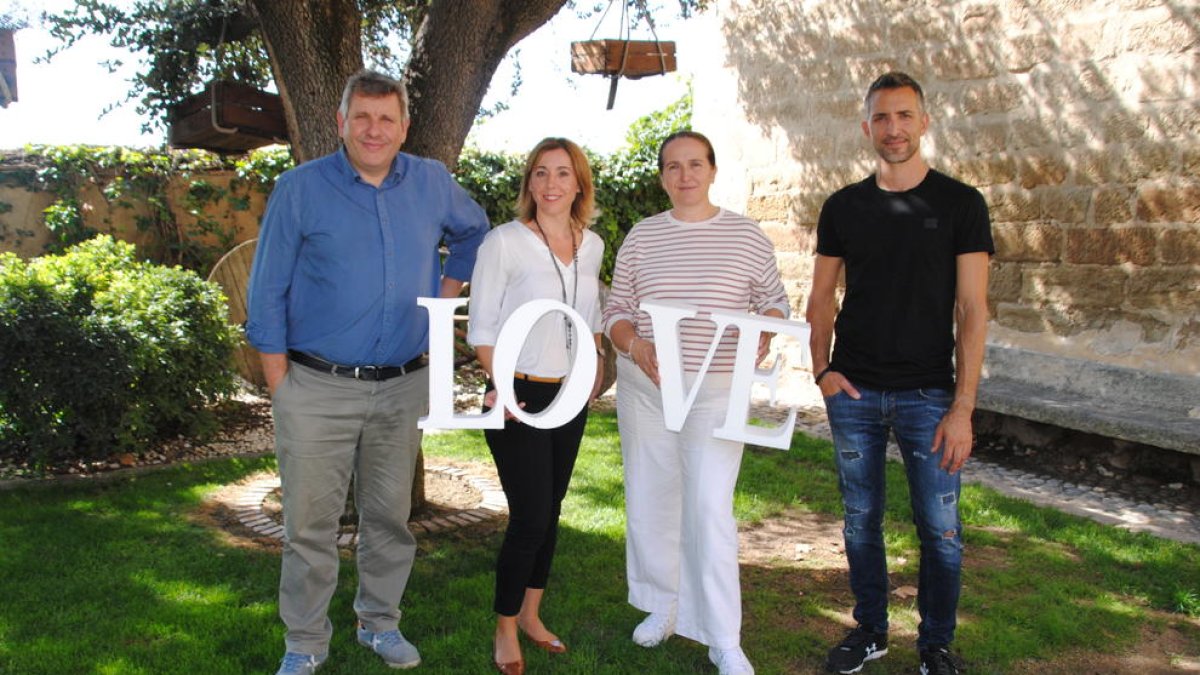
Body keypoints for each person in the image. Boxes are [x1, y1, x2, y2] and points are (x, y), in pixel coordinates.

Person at [246, 69, 489, 675]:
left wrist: (445, 292)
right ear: (341, 123)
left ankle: (379, 624)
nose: (374, 129)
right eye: (363, 117)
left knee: (388, 517)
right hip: (315, 386)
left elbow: (475, 232)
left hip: (402, 386)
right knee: (309, 526)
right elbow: (267, 288)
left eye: (386, 118)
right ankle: (304, 641)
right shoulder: (300, 189)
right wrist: (282, 384)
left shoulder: (432, 183)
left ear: (404, 125)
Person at [806, 71, 993, 675]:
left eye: (904, 116)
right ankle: (870, 630)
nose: (894, 129)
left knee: (940, 529)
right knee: (861, 520)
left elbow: (972, 309)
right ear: (867, 127)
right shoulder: (843, 207)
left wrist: (963, 406)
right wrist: (821, 371)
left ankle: (935, 644)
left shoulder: (961, 204)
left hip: (930, 395)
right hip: (854, 390)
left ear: (924, 122)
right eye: (882, 118)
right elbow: (821, 298)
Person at [603, 130, 790, 675]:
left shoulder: (747, 235)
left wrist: (768, 329)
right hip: (648, 387)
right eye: (673, 166)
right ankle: (664, 605)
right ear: (662, 176)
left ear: (711, 170)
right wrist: (635, 345)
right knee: (652, 498)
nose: (684, 176)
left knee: (709, 507)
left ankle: (723, 637)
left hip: (714, 390)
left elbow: (773, 300)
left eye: (694, 165)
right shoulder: (642, 236)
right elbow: (616, 309)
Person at [467, 137, 605, 675]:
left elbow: (588, 315)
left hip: (568, 396)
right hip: (516, 392)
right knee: (528, 517)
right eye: (541, 173)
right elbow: (481, 327)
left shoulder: (590, 245)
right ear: (530, 183)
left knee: (550, 514)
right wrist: (498, 379)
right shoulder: (504, 242)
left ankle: (531, 614)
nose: (551, 184)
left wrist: (592, 364)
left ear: (579, 184)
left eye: (563, 174)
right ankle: (504, 628)